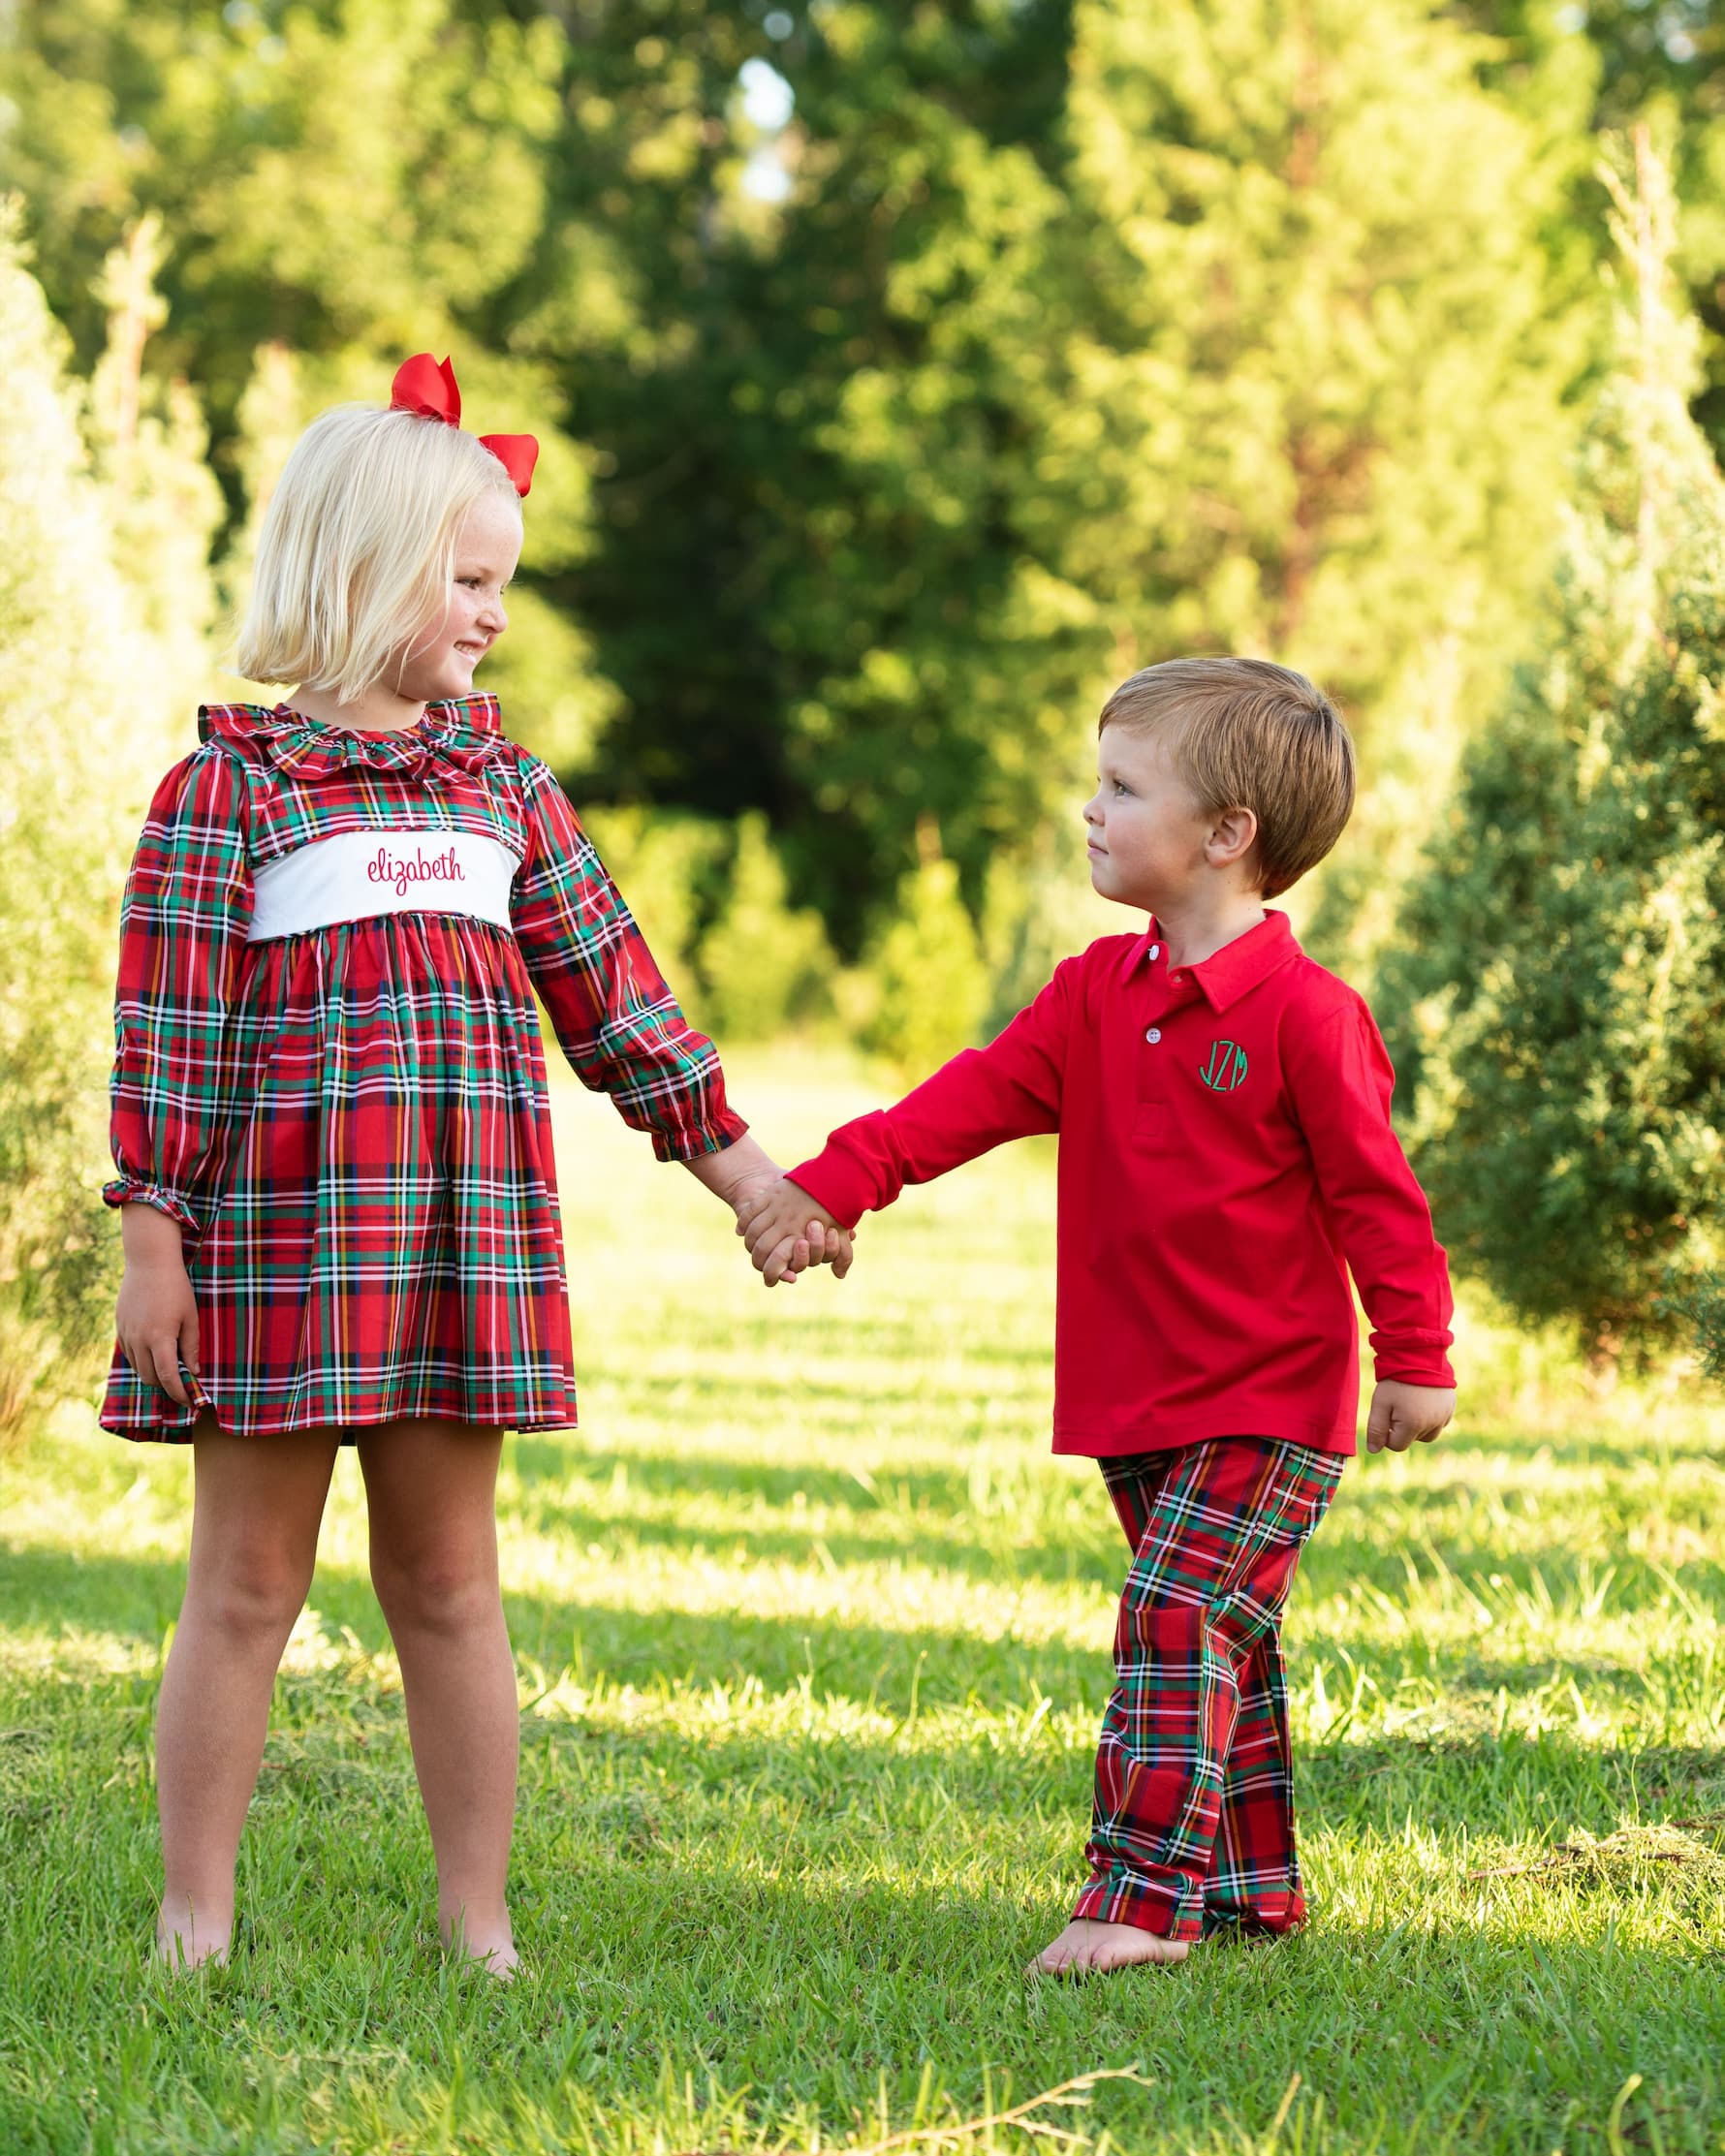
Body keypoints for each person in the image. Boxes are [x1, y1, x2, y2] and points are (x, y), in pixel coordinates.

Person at [103, 353, 847, 1977]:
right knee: (243, 1585)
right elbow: (167, 1033)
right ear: (364, 568)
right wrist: (150, 1242)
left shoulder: (506, 790)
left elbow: (621, 1006)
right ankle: (194, 1917)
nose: (493, 611)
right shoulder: (229, 792)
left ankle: (480, 1922)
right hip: (277, 1255)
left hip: (460, 1254)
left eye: (500, 579)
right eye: (468, 577)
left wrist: (754, 1178)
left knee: (449, 1582)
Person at [737, 657, 1456, 1975]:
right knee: (1222, 1626)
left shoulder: (1307, 1017)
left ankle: (1136, 1898)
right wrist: (821, 1191)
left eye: (1124, 787)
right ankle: (1249, 1884)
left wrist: (1414, 1358)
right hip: (1138, 1397)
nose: (1092, 808)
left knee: (1173, 1611)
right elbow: (961, 1103)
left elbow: (1380, 1201)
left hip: (1269, 1397)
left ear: (1227, 836)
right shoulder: (1092, 995)